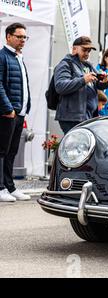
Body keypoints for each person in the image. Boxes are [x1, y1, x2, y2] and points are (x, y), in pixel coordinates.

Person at [0, 23, 32, 202]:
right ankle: (0, 188)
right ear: (8, 37)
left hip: (19, 113)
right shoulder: (2, 56)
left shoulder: (19, 57)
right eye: (19, 37)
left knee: (12, 152)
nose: (22, 40)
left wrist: (23, 109)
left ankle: (9, 187)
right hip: (7, 113)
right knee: (2, 152)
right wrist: (8, 108)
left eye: (24, 37)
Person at [54, 36, 108, 134]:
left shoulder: (88, 65)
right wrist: (83, 80)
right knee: (76, 147)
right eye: (84, 50)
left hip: (87, 116)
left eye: (89, 51)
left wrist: (104, 82)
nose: (87, 54)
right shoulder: (65, 64)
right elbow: (60, 86)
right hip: (72, 118)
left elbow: (97, 85)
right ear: (74, 49)